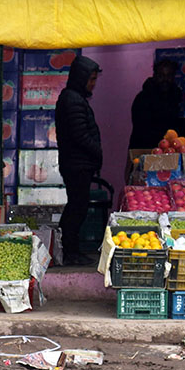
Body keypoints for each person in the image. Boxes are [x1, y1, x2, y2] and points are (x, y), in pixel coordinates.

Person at [54, 55, 103, 267]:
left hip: (77, 163)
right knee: (77, 207)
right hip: (77, 164)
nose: (93, 84)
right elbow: (79, 135)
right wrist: (97, 151)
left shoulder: (73, 98)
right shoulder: (72, 100)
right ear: (81, 77)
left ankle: (70, 250)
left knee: (77, 206)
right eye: (91, 79)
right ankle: (69, 251)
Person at [129, 60, 185, 150]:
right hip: (145, 150)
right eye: (161, 76)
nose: (165, 79)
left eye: (169, 75)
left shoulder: (178, 98)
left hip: (172, 151)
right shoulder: (143, 98)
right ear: (154, 76)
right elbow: (141, 129)